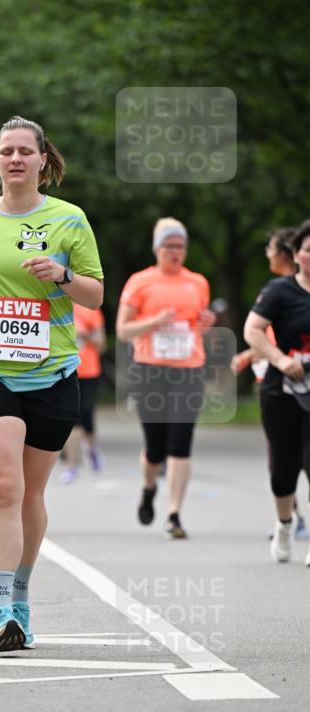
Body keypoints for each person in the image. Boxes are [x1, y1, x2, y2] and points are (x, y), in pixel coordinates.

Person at [0, 115, 103, 652]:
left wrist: (63, 276)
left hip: (52, 372)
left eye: (25, 151)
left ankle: (23, 598)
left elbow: (96, 295)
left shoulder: (69, 219)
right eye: (6, 150)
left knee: (31, 494)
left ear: (42, 160)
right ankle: (1, 607)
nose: (15, 159)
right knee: (4, 486)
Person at [116, 217, 216, 539]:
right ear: (157, 249)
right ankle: (149, 487)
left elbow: (196, 327)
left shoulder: (197, 282)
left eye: (181, 246)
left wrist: (205, 323)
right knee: (155, 448)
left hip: (189, 369)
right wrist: (154, 322)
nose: (176, 252)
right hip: (150, 369)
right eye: (169, 246)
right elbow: (122, 330)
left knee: (181, 443)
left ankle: (174, 515)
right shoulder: (140, 282)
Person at [230, 227, 307, 537]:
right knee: (284, 462)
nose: (267, 255)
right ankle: (287, 521)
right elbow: (259, 332)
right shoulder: (279, 291)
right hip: (282, 385)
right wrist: (273, 359)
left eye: (270, 249)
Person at [60, 303, 106, 482]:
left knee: (86, 418)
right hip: (64, 371)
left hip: (89, 372)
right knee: (72, 420)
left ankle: (92, 448)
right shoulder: (57, 303)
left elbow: (101, 343)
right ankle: (71, 465)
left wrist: (85, 335)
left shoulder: (91, 308)